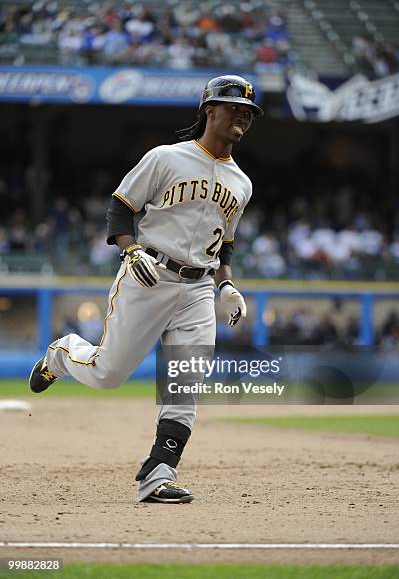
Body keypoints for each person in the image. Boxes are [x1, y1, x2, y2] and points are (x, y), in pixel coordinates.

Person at [29, 75, 263, 504]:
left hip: (197, 291)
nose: (242, 117)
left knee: (186, 380)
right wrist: (130, 250)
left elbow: (224, 240)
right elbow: (121, 206)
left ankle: (158, 474)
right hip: (148, 274)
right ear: (210, 111)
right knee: (108, 375)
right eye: (234, 108)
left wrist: (226, 282)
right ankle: (62, 353)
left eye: (248, 112)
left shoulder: (242, 183)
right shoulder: (166, 158)